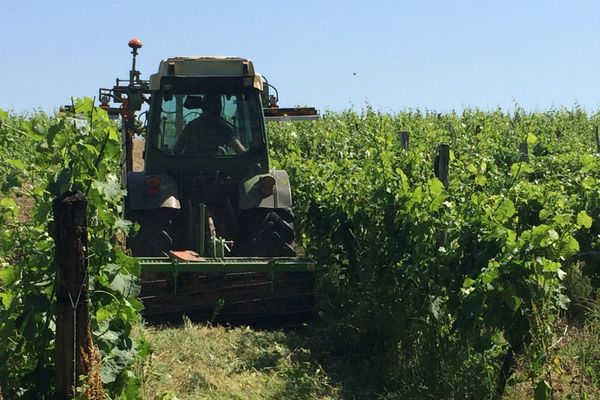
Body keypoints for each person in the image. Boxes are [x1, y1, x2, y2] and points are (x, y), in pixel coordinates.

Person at [173, 94, 246, 155]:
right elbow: (238, 148)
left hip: (189, 170)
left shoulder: (191, 126)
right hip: (217, 170)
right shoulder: (221, 127)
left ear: (203, 107)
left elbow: (176, 150)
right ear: (218, 107)